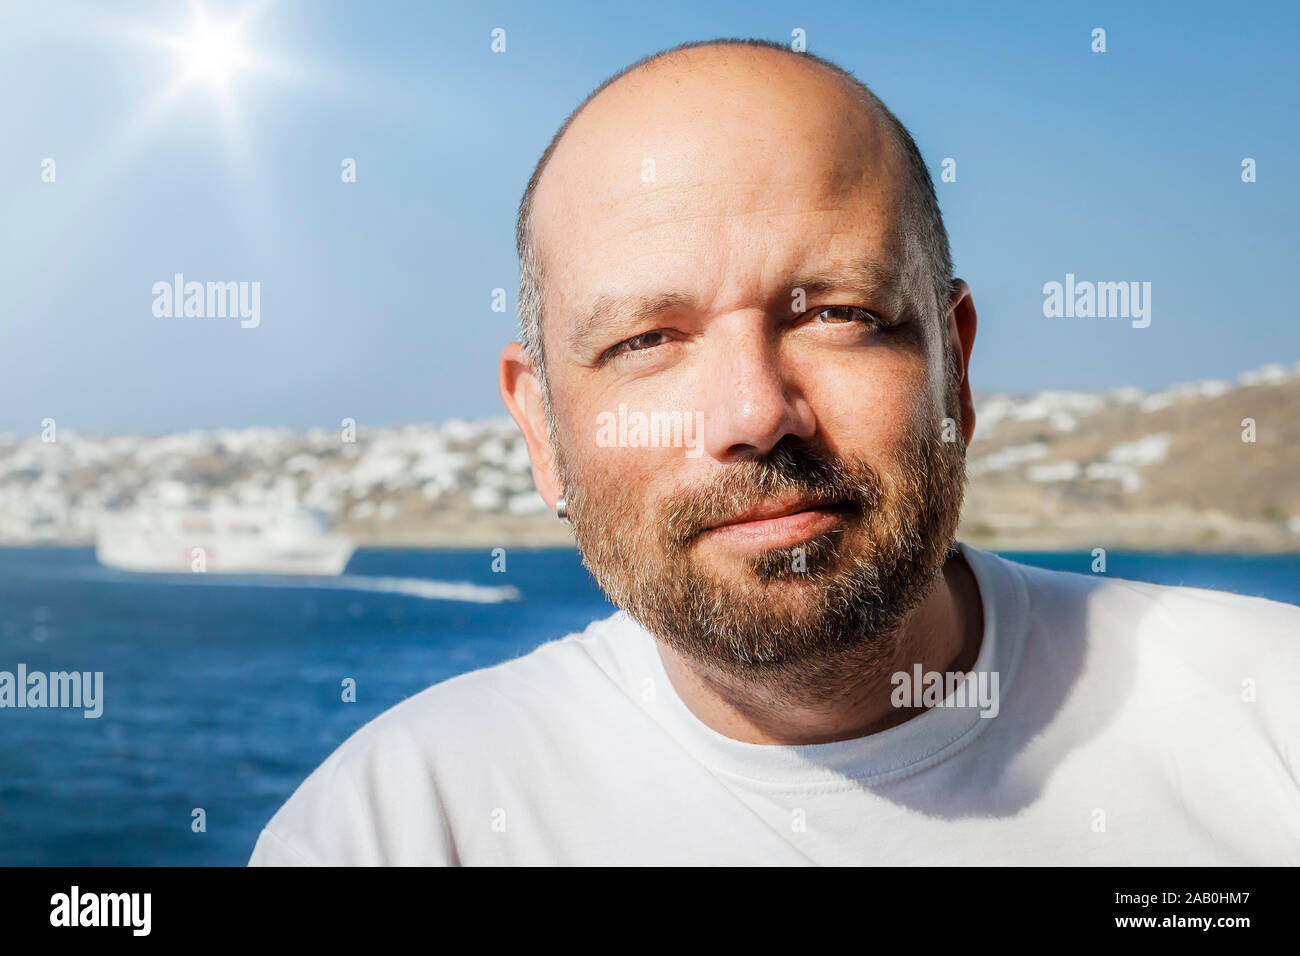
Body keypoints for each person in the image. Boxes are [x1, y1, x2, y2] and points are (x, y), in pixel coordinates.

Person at [249, 38, 1300, 866]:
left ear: (955, 368)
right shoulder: (390, 828)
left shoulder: (1273, 716)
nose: (756, 413)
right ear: (541, 429)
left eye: (838, 313)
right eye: (645, 341)